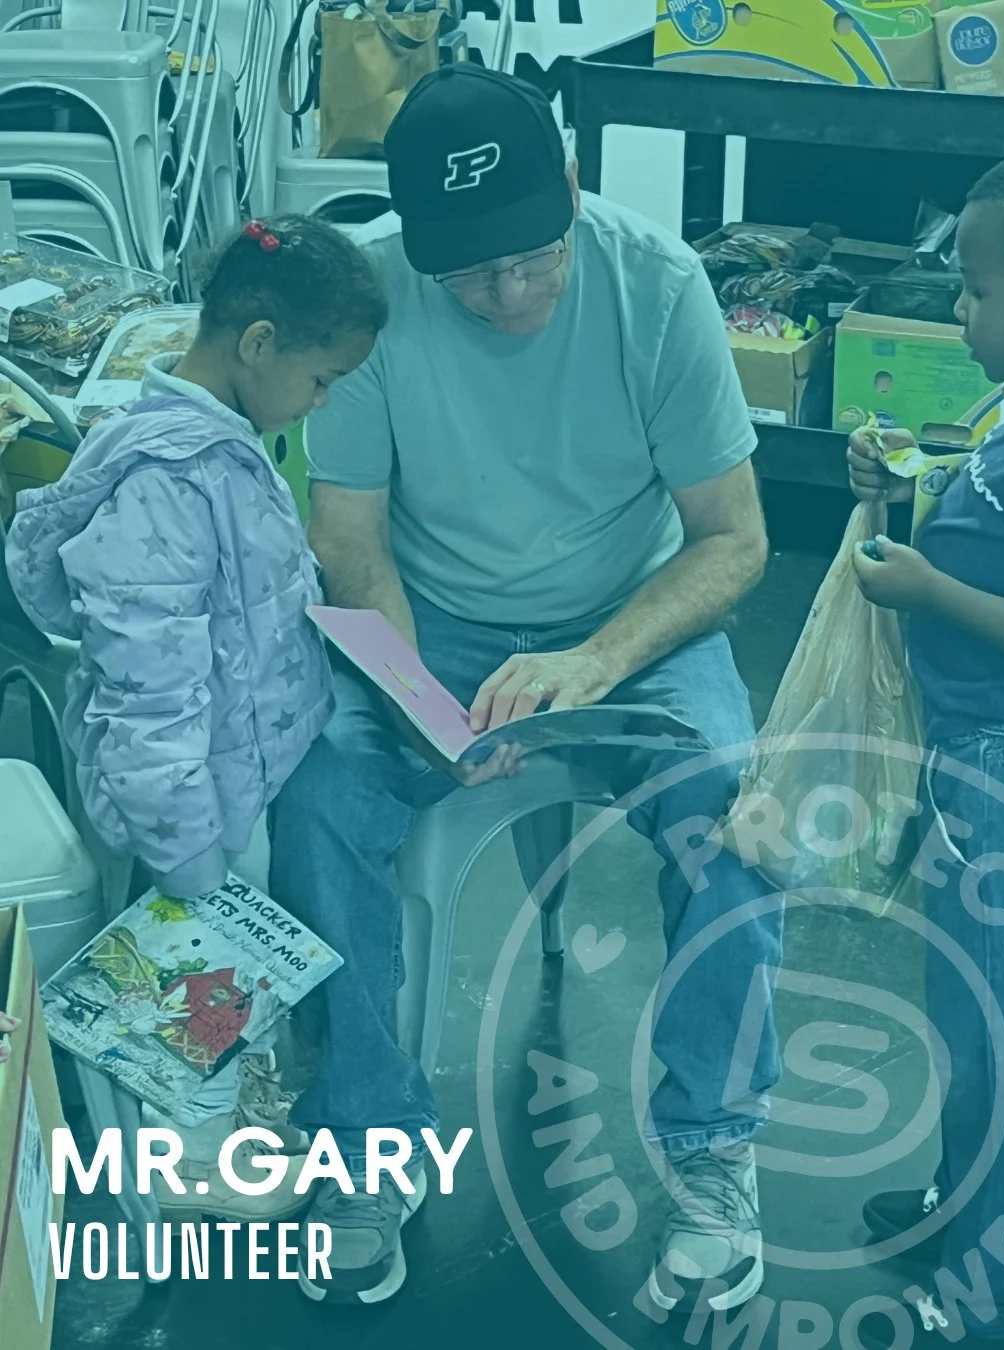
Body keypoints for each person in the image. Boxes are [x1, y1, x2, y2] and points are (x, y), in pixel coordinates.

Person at [268, 65, 781, 1311]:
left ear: (572, 186)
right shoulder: (371, 300)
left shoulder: (657, 285)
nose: (505, 298)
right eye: (468, 274)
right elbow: (352, 538)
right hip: (434, 616)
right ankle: (365, 1146)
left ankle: (715, 1146)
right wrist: (411, 694)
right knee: (318, 793)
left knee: (732, 810)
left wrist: (597, 659)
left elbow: (733, 539)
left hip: (629, 616)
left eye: (530, 260)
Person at [5, 214, 387, 1224]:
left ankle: (215, 1115)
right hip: (196, 801)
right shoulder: (168, 485)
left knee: (222, 975)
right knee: (196, 973)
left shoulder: (217, 447)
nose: (322, 401)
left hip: (237, 773)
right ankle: (194, 1157)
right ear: (258, 344)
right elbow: (149, 694)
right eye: (320, 379)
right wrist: (185, 852)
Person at [848, 142, 1004, 1349]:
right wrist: (907, 480)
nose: (959, 310)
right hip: (980, 756)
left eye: (977, 290)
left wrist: (931, 590)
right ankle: (969, 1202)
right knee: (973, 1018)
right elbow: (992, 509)